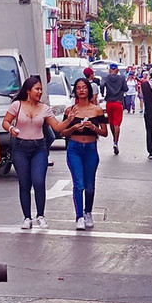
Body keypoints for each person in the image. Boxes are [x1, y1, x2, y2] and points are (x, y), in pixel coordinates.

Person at [3, 75, 61, 229]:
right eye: (37, 89)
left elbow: (57, 127)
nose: (40, 92)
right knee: (24, 183)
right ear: (28, 91)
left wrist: (71, 120)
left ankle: (40, 215)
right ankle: (27, 217)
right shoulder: (17, 105)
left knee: (39, 181)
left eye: (41, 89)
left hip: (39, 148)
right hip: (20, 148)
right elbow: (5, 122)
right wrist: (11, 128)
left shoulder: (44, 108)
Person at [61, 77, 108, 229]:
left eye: (84, 87)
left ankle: (88, 212)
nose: (81, 90)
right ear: (75, 91)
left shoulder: (97, 110)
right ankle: (79, 216)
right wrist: (74, 127)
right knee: (78, 184)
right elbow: (62, 132)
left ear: (89, 90)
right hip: (74, 148)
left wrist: (93, 128)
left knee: (89, 185)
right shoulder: (70, 110)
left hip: (90, 148)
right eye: (79, 88)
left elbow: (105, 132)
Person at [100, 62, 129, 155]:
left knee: (111, 123)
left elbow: (101, 85)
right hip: (118, 103)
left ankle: (114, 139)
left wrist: (103, 93)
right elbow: (126, 88)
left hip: (109, 103)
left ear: (109, 70)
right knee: (117, 124)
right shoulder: (121, 78)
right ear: (117, 70)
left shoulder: (106, 77)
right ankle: (116, 142)